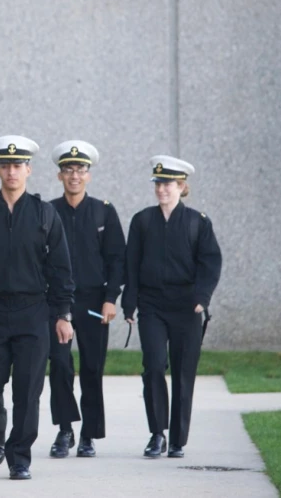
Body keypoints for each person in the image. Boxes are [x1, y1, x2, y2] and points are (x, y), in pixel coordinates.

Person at [0, 135, 75, 480]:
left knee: (28, 390)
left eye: (18, 166)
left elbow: (61, 270)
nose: (11, 171)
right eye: (5, 165)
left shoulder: (44, 214)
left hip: (33, 312)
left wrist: (63, 314)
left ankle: (19, 456)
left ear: (28, 170)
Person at [121, 155, 222, 459]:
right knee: (153, 366)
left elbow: (211, 262)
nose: (162, 189)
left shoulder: (197, 222)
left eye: (168, 184)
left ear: (181, 187)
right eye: (158, 183)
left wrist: (202, 298)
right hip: (152, 305)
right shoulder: (142, 221)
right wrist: (129, 304)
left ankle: (177, 439)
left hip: (186, 306)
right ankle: (157, 434)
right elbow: (132, 264)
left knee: (182, 371)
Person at [46, 140, 126, 459]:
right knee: (61, 367)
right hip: (57, 303)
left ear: (88, 175)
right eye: (68, 169)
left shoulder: (104, 211)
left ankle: (88, 435)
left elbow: (118, 259)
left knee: (92, 368)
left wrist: (111, 299)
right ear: (60, 176)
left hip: (94, 300)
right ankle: (65, 429)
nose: (74, 175)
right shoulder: (48, 211)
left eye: (80, 169)